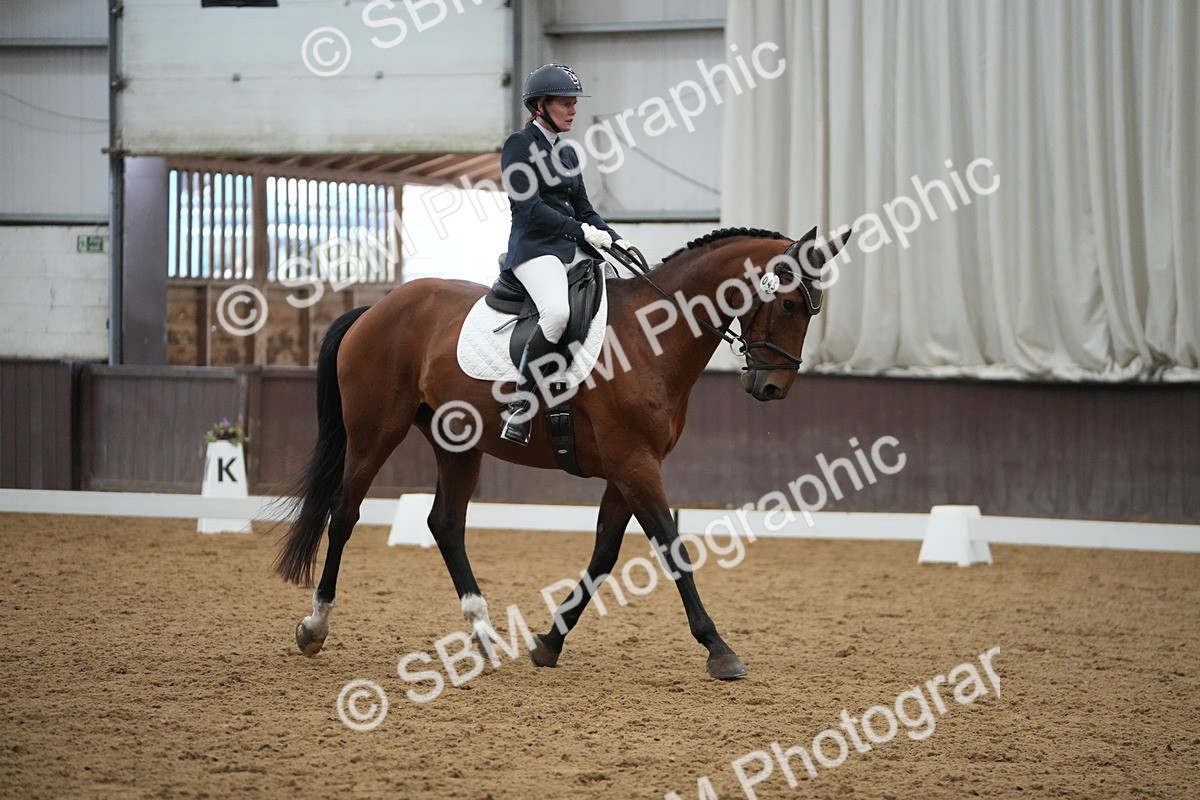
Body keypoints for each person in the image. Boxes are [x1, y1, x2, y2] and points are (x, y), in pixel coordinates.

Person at [498, 63, 632, 446]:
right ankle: (520, 407)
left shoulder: (569, 154)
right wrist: (580, 231)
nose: (573, 110)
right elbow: (529, 207)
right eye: (565, 104)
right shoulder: (518, 146)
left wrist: (616, 240)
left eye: (574, 103)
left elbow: (585, 209)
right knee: (557, 313)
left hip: (572, 247)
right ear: (540, 105)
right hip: (534, 249)